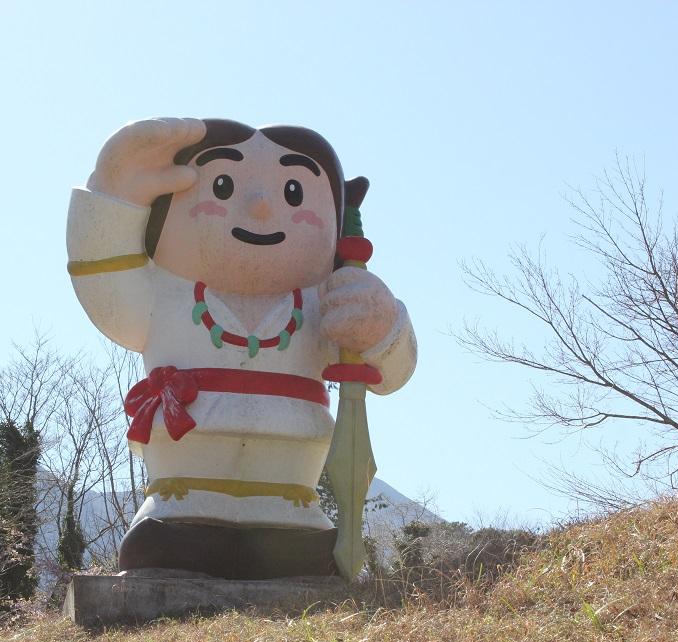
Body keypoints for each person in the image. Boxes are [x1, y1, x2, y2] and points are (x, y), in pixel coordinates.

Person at [67, 118, 416, 578]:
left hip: (291, 498)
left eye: (294, 192)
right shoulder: (161, 294)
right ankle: (180, 530)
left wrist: (382, 327)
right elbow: (103, 281)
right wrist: (112, 201)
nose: (260, 207)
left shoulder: (327, 303)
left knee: (303, 551)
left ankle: (289, 535)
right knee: (165, 544)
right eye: (224, 185)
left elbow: (391, 373)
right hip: (181, 499)